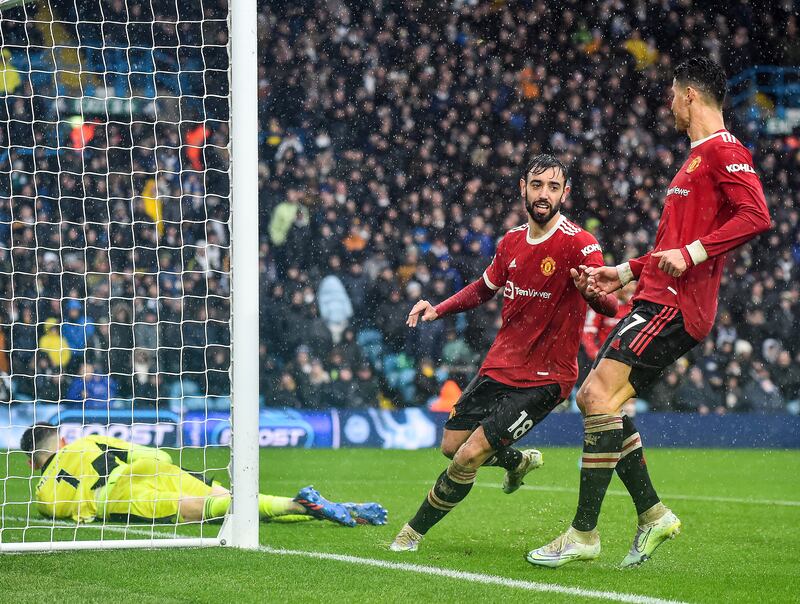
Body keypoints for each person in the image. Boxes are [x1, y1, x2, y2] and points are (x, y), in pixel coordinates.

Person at [526, 57, 770, 569]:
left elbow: (756, 215)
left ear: (689, 97)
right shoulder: (693, 160)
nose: (668, 103)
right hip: (653, 295)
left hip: (676, 305)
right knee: (607, 404)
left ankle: (584, 533)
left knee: (595, 394)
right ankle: (652, 514)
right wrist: (625, 270)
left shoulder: (725, 151)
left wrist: (694, 254)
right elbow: (670, 246)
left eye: (672, 94)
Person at [390, 154, 618, 552]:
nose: (543, 194)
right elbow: (483, 288)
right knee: (451, 447)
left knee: (468, 457)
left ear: (565, 192)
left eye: (553, 187)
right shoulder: (510, 242)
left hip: (545, 379)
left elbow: (609, 306)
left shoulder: (580, 244)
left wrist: (592, 295)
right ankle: (516, 462)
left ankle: (411, 533)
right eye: (537, 185)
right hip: (500, 365)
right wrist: (437, 308)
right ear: (522, 189)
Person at [20, 424, 387, 527]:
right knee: (227, 497)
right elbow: (138, 451)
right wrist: (160, 461)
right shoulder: (89, 438)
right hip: (156, 466)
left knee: (204, 508)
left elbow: (61, 510)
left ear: (32, 462)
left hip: (118, 494)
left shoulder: (43, 491)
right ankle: (331, 506)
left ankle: (299, 503)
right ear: (63, 438)